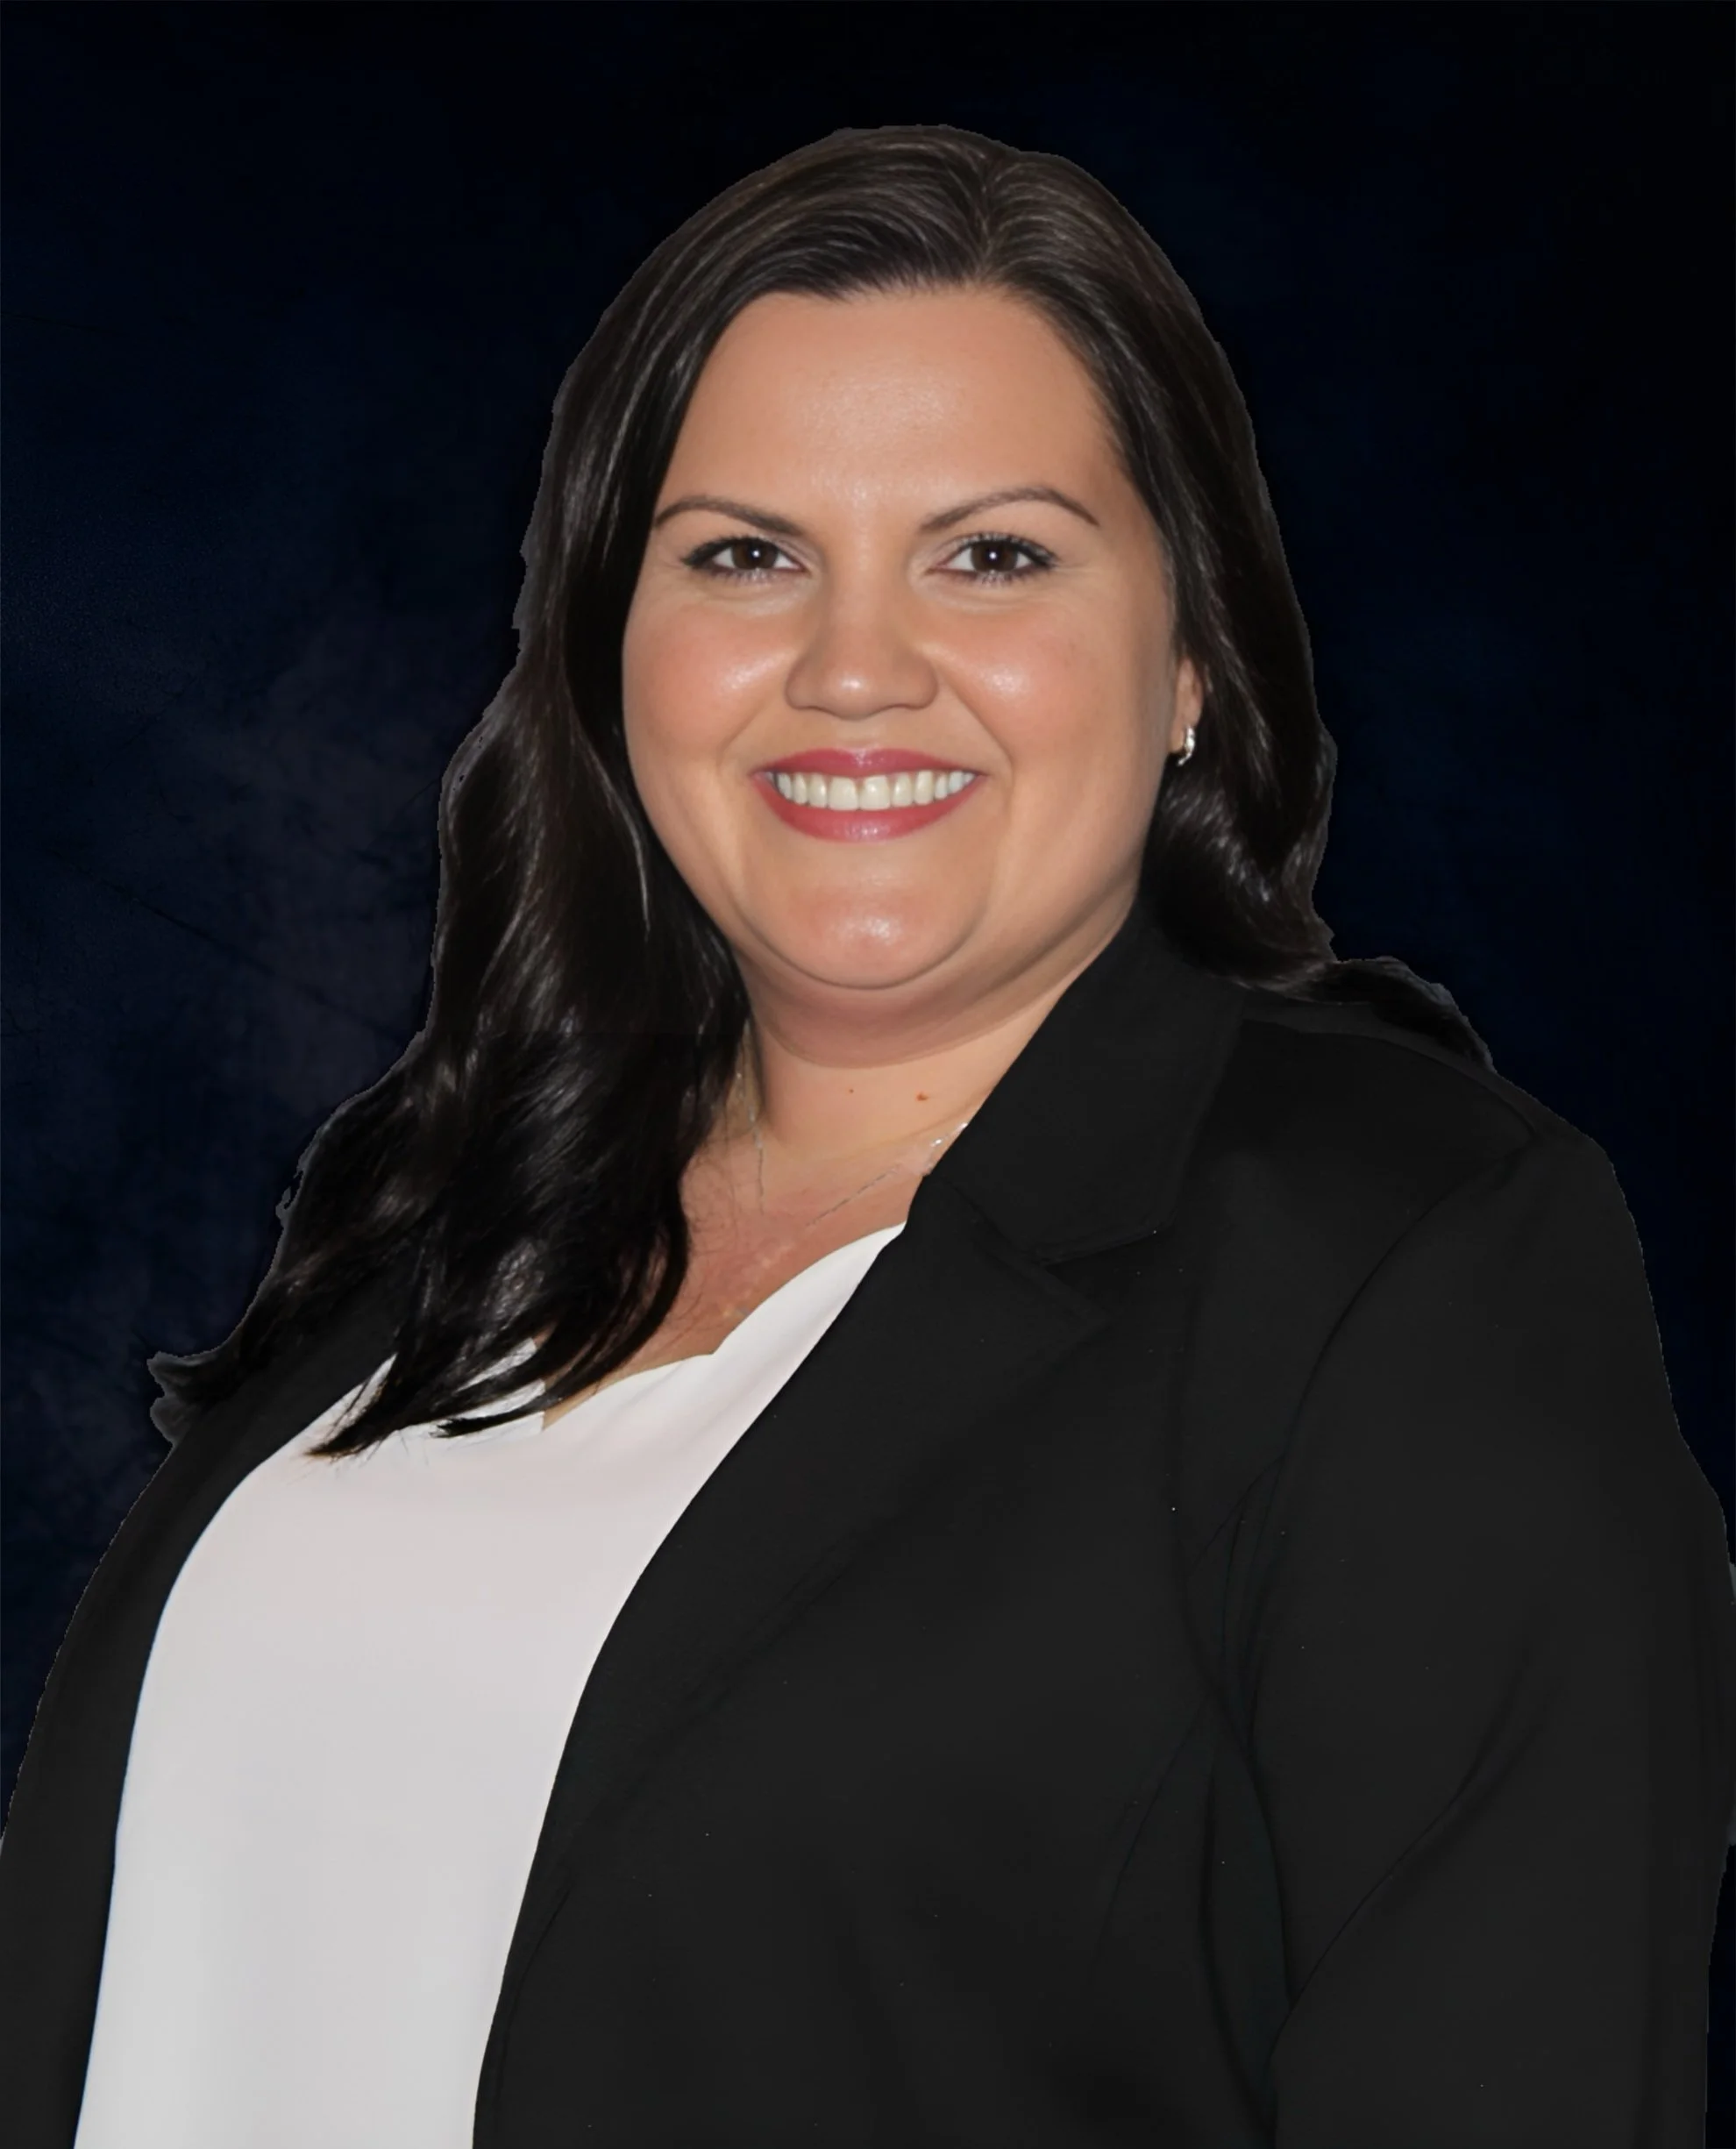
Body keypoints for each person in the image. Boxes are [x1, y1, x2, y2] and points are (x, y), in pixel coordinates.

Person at [3, 124, 1732, 2149]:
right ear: (608, 649)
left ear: (1192, 659)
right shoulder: (439, 1226)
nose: (851, 669)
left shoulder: (1407, 1262)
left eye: (991, 555)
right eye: (747, 555)